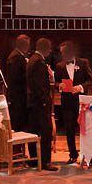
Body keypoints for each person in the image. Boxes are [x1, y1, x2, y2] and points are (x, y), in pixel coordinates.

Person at [55, 41, 92, 164]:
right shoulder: (59, 66)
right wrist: (59, 85)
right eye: (62, 52)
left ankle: (89, 154)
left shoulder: (83, 62)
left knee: (86, 129)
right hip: (67, 102)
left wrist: (81, 87)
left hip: (82, 102)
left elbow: (91, 80)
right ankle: (73, 154)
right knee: (69, 129)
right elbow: (55, 83)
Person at [27, 38, 59, 171]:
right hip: (41, 103)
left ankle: (34, 159)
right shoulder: (39, 62)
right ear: (45, 48)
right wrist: (46, 101)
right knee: (46, 132)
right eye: (49, 48)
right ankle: (45, 162)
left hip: (33, 102)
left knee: (33, 131)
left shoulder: (31, 59)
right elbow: (40, 85)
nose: (50, 51)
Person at [6, 34, 31, 132]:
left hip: (16, 96)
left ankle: (18, 146)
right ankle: (18, 146)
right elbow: (16, 78)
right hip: (18, 97)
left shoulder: (16, 55)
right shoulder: (16, 57)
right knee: (18, 125)